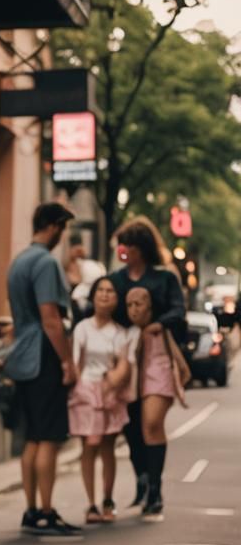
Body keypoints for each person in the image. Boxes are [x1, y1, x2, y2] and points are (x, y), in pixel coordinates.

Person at [4, 202, 81, 539]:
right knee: (49, 437)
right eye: (62, 229)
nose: (62, 236)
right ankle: (46, 513)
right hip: (43, 357)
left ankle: (32, 509)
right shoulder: (46, 263)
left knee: (32, 437)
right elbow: (51, 318)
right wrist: (67, 361)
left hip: (22, 356)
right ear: (53, 226)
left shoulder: (18, 261)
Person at [108, 218, 187, 509]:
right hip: (125, 355)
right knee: (131, 425)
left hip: (156, 354)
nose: (123, 251)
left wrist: (157, 324)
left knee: (151, 422)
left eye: (127, 245)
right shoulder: (115, 280)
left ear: (140, 248)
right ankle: (142, 476)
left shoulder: (164, 278)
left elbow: (179, 312)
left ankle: (155, 487)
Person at [68, 277, 131, 523]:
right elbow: (76, 362)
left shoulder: (120, 332)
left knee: (107, 447)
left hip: (110, 392)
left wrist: (111, 384)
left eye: (110, 291)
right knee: (89, 446)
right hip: (85, 391)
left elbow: (121, 364)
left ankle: (107, 499)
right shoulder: (82, 328)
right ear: (93, 296)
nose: (105, 295)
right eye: (100, 291)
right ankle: (90, 503)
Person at [125, 286, 186, 522]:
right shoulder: (128, 332)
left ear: (150, 305)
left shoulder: (161, 330)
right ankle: (145, 482)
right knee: (135, 431)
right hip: (133, 383)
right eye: (129, 305)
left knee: (151, 424)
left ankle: (155, 490)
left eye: (138, 304)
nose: (133, 310)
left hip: (158, 376)